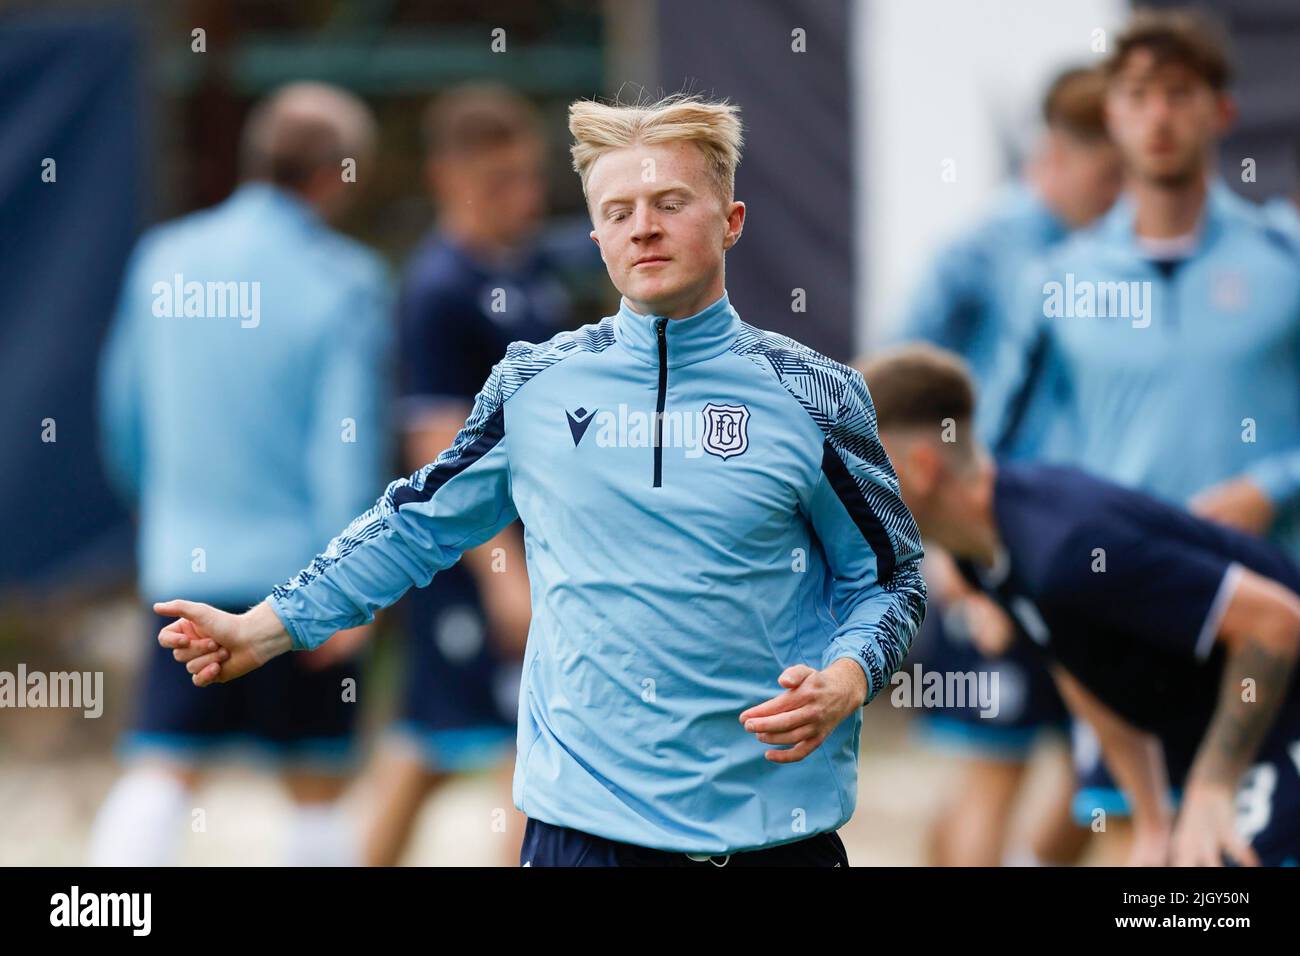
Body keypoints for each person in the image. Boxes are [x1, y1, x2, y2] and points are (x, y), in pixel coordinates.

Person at [153, 93, 927, 867]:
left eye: (670, 202)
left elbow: (893, 579)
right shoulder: (534, 384)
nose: (643, 227)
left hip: (774, 836)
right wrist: (265, 626)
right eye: (618, 211)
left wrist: (849, 676)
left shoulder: (815, 394)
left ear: (731, 221)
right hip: (581, 834)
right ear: (596, 237)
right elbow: (412, 523)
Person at [990, 8, 1300, 857]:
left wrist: (1270, 488)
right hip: (1130, 618)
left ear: (1220, 112)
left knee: (1260, 851)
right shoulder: (1057, 281)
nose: (1158, 116)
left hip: (1274, 617)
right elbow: (998, 457)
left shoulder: (1285, 257)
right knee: (1151, 854)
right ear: (1112, 115)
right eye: (1136, 96)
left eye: (1179, 94)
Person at [91, 83, 392, 866]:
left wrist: (164, 514)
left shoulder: (164, 257)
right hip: (297, 578)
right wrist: (349, 586)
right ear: (334, 173)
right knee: (316, 782)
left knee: (161, 763)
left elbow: (124, 416)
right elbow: (344, 446)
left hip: (180, 563)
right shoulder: (347, 282)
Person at [866, 343, 1300, 866]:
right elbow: (1080, 668)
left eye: (861, 467)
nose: (845, 492)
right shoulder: (976, 552)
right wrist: (1153, 819)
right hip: (1207, 714)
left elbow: (1276, 622)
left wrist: (1211, 788)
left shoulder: (1065, 549)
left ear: (921, 468)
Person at [892, 66, 1121, 867]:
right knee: (992, 768)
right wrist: (945, 549)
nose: (1118, 187)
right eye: (1105, 168)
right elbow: (895, 385)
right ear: (1057, 154)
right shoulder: (985, 251)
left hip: (1082, 543)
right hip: (990, 534)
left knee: (1102, 766)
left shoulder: (1124, 255)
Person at [365, 85, 570, 867]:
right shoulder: (437, 288)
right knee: (520, 763)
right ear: (447, 179)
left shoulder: (531, 276)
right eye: (498, 183)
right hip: (475, 560)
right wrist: (500, 570)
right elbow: (434, 442)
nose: (520, 198)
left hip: (515, 552)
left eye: (527, 178)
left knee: (427, 745)